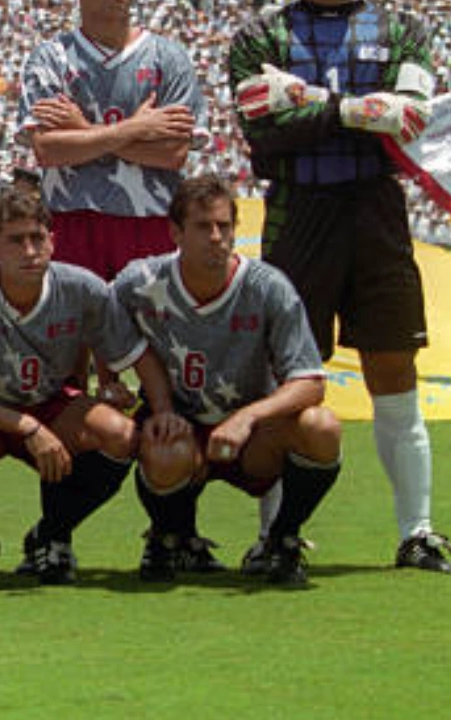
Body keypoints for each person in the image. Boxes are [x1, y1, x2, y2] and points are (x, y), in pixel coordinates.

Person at [229, 0, 451, 573]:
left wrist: (310, 101)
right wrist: (362, 110)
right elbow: (261, 122)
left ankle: (417, 530)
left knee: (394, 369)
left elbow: (412, 118)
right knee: (289, 378)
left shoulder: (402, 29)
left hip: (377, 216)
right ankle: (277, 534)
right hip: (297, 213)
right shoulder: (261, 36)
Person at [112, 175, 341, 585]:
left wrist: (248, 417)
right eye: (203, 227)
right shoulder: (139, 282)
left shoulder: (268, 287)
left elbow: (310, 382)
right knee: (163, 448)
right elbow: (98, 324)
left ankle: (282, 539)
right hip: (181, 429)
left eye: (224, 226)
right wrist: (114, 381)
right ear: (176, 233)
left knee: (321, 427)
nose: (216, 237)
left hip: (252, 439)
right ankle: (174, 537)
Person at [0, 183, 150, 586]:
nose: (29, 251)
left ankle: (51, 536)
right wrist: (27, 427)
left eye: (37, 238)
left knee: (119, 434)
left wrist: (115, 385)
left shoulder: (83, 287)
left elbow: (118, 346)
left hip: (51, 403)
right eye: (16, 240)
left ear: (53, 241)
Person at [17, 0, 205, 284]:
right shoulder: (51, 58)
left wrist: (83, 129)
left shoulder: (169, 58)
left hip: (151, 218)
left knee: (149, 334)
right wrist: (136, 129)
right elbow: (48, 150)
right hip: (71, 218)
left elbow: (175, 153)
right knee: (77, 335)